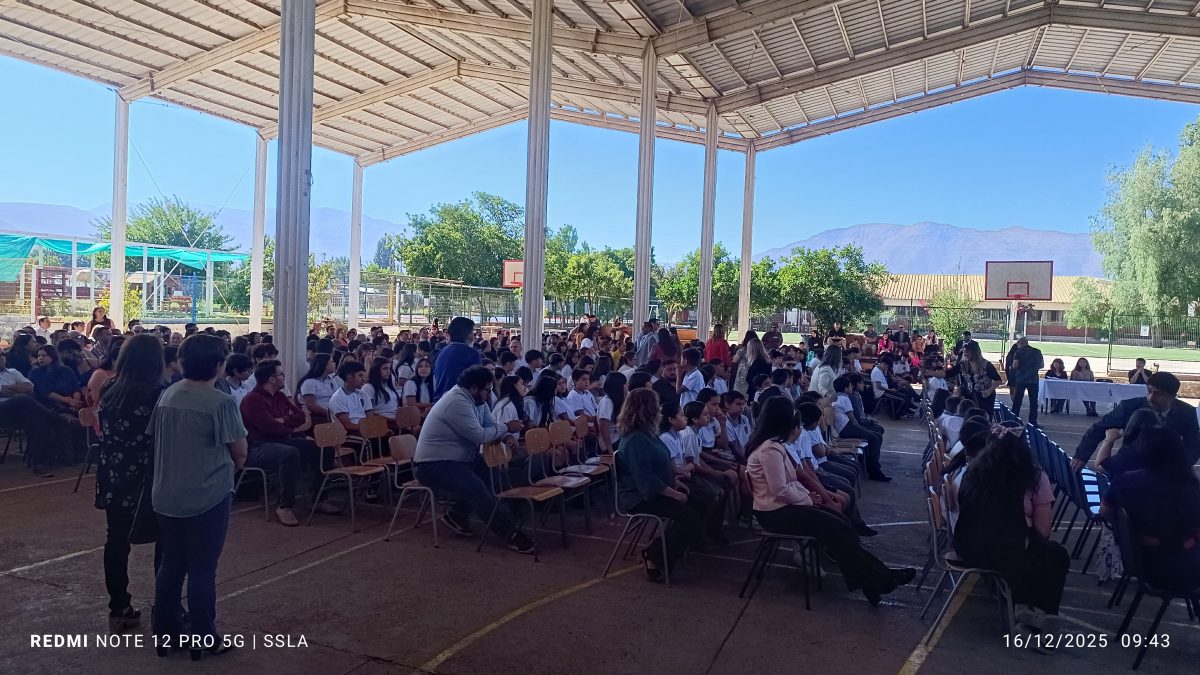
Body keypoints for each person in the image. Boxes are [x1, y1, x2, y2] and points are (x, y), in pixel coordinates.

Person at [746, 398, 914, 605]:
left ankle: (873, 582)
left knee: (841, 524)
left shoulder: (776, 446)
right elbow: (779, 489)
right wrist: (807, 498)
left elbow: (792, 481)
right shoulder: (769, 450)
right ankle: (882, 580)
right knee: (837, 529)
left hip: (786, 506)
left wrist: (811, 496)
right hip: (775, 514)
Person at [150, 333, 246, 659]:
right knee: (203, 569)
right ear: (220, 366)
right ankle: (205, 638)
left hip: (166, 494)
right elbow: (240, 452)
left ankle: (165, 634)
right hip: (207, 494)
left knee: (171, 565)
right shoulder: (221, 402)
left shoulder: (168, 395)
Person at [954, 430, 1069, 639]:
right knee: (1055, 555)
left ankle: (1022, 604)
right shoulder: (1034, 477)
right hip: (1005, 551)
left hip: (966, 547)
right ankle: (1039, 617)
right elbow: (1044, 530)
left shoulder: (972, 471)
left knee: (1032, 554)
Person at [413, 365, 533, 553]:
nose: (490, 393)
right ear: (474, 387)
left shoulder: (477, 400)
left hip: (458, 461)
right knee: (476, 487)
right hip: (433, 465)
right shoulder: (456, 402)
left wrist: (504, 435)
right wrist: (505, 428)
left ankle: (458, 514)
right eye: (487, 389)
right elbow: (478, 435)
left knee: (492, 475)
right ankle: (509, 533)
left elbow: (491, 425)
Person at [95, 334, 165, 633]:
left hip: (113, 473)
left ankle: (119, 607)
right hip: (150, 476)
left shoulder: (110, 387)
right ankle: (166, 606)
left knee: (116, 540)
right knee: (166, 541)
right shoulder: (160, 393)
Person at [616, 388, 704, 582]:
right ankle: (654, 555)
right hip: (640, 497)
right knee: (688, 517)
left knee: (699, 501)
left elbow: (661, 466)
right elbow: (645, 479)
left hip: (656, 491)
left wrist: (675, 482)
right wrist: (673, 493)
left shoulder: (648, 433)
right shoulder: (636, 440)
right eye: (656, 408)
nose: (660, 413)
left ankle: (685, 546)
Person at [1099, 426, 1200, 591]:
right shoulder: (1189, 489)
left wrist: (1131, 536)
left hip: (1136, 561)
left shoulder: (1124, 481)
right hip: (1179, 570)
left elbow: (1105, 513)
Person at [240, 360, 333, 526]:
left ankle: (319, 499)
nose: (284, 377)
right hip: (258, 447)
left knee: (324, 448)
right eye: (281, 374)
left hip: (283, 441)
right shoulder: (252, 400)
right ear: (271, 379)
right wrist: (287, 424)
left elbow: (301, 416)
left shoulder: (280, 397)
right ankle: (285, 506)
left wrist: (283, 420)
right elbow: (270, 428)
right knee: (289, 453)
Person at [1072, 371, 1200, 471]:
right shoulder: (1129, 407)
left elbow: (1194, 445)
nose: (1151, 398)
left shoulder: (1187, 412)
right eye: (1149, 391)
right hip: (1128, 464)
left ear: (1172, 397)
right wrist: (1081, 456)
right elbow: (1098, 428)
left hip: (1165, 467)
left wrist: (1179, 467)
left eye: (1159, 394)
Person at [0, 349, 64, 476]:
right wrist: (17, 392)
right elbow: (23, 392)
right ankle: (58, 418)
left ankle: (38, 464)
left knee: (39, 421)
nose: (1, 358)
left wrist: (6, 389)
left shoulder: (12, 372)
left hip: (15, 414)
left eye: (2, 355)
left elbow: (30, 387)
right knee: (23, 398)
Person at [832, 375, 888, 482]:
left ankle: (869, 463)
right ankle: (874, 471)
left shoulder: (837, 397)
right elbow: (853, 421)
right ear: (846, 388)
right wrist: (866, 431)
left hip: (845, 427)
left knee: (875, 435)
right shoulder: (845, 399)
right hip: (847, 428)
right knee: (875, 438)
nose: (851, 388)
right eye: (850, 386)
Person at [432, 317, 482, 402]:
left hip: (439, 403)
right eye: (473, 332)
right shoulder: (473, 354)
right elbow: (476, 384)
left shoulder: (440, 353)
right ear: (468, 334)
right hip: (460, 403)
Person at [946, 342, 1001, 415]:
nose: (965, 354)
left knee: (984, 417)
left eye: (967, 352)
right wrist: (933, 372)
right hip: (970, 396)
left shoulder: (987, 365)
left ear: (975, 352)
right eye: (964, 352)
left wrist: (989, 390)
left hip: (985, 397)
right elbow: (949, 373)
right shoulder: (963, 364)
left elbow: (998, 380)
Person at [1007, 337, 1044, 426]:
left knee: (1017, 401)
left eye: (1018, 344)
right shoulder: (1037, 351)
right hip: (1033, 379)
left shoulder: (1019, 352)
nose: (1017, 346)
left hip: (1021, 379)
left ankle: (1014, 420)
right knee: (1033, 402)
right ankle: (1033, 422)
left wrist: (1012, 367)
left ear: (1021, 344)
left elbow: (1015, 365)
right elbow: (1041, 365)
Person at [329, 361, 370, 434]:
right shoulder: (338, 397)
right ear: (349, 377)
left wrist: (377, 428)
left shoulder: (363, 394)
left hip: (366, 430)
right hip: (350, 433)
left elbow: (370, 417)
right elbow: (347, 425)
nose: (363, 379)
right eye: (360, 376)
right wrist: (369, 429)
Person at [297, 353, 338, 422]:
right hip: (318, 416)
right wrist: (329, 413)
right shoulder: (309, 382)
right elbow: (311, 405)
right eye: (331, 362)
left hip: (333, 413)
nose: (335, 364)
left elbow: (337, 399)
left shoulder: (331, 380)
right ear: (324, 365)